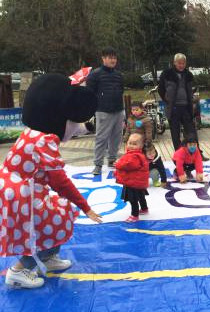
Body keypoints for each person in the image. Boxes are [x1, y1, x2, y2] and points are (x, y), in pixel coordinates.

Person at [1, 74, 102, 289]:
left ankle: (47, 258)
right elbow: (60, 182)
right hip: (22, 195)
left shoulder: (34, 131)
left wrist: (88, 127)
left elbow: (73, 127)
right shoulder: (44, 141)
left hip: (23, 190)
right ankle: (18, 271)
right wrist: (85, 207)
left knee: (57, 217)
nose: (75, 126)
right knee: (45, 227)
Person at [158, 53, 209, 161]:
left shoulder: (188, 74)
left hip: (186, 107)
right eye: (179, 63)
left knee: (191, 132)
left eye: (183, 63)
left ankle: (197, 153)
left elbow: (191, 90)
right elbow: (161, 89)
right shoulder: (167, 74)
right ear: (174, 63)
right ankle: (178, 155)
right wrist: (167, 100)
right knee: (175, 134)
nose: (181, 65)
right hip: (173, 108)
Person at [86, 47, 125, 175]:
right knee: (101, 138)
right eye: (110, 57)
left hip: (118, 110)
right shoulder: (95, 74)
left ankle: (112, 159)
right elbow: (89, 93)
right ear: (103, 58)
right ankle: (97, 164)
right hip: (103, 111)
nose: (113, 60)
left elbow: (121, 91)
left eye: (114, 57)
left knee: (116, 137)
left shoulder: (119, 75)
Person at [115, 133, 150, 222]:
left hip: (133, 182)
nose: (131, 146)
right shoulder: (136, 154)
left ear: (141, 146)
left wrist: (118, 164)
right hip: (138, 181)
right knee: (141, 196)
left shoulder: (134, 155)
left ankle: (134, 215)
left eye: (134, 144)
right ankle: (144, 208)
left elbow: (129, 165)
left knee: (133, 199)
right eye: (130, 143)